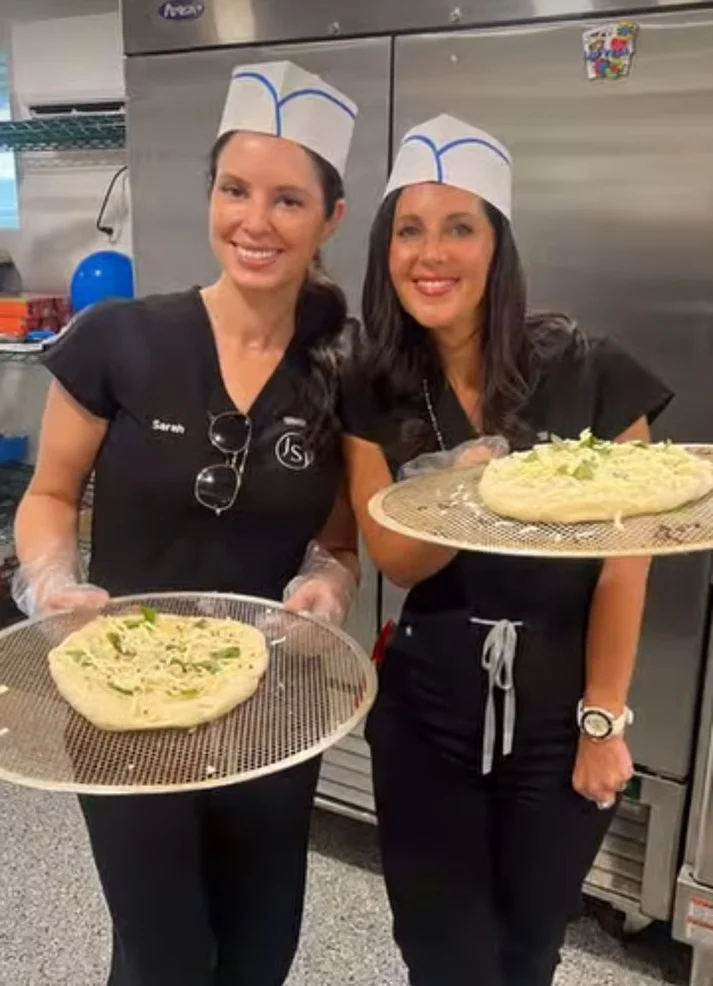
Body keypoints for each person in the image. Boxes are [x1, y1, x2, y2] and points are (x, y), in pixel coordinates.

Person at [13, 61, 359, 986]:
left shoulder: (344, 368)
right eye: (234, 189)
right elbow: (49, 497)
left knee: (257, 953)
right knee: (165, 956)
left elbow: (341, 533)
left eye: (288, 200)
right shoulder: (119, 340)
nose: (254, 220)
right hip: (121, 701)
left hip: (272, 709)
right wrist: (50, 580)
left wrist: (327, 579)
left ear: (330, 218)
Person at [341, 113, 673, 986]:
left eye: (460, 227)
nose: (431, 254)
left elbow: (624, 563)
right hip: (426, 712)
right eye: (408, 230)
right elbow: (396, 559)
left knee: (526, 951)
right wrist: (464, 482)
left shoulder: (588, 370)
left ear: (497, 247)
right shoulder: (371, 384)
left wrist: (603, 718)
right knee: (441, 954)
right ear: (384, 250)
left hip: (563, 708)